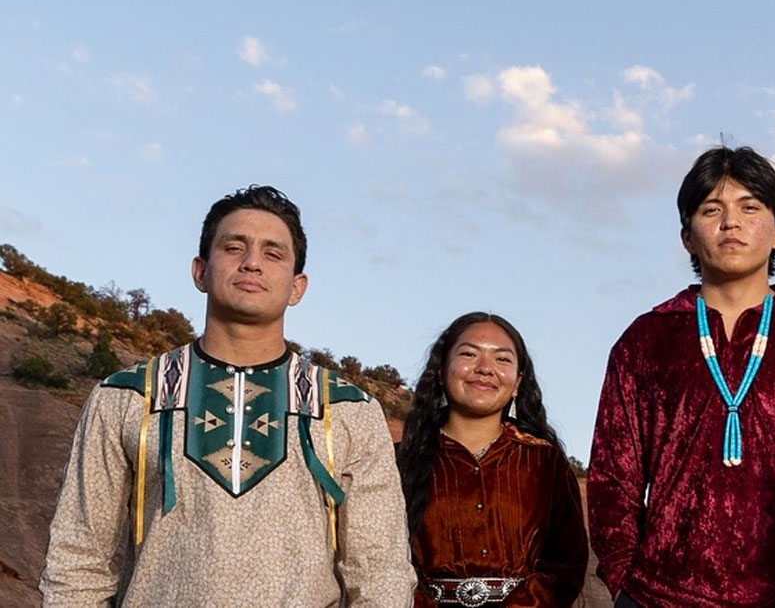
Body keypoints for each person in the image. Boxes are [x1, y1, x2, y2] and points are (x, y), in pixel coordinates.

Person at [41, 185, 416, 607]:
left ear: (297, 286)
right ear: (200, 271)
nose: (252, 263)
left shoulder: (348, 410)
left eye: (273, 253)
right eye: (234, 247)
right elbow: (78, 560)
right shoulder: (126, 397)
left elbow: (380, 571)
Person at [587, 146, 775, 607]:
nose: (731, 222)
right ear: (688, 236)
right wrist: (626, 584)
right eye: (712, 209)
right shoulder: (645, 340)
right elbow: (613, 479)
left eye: (750, 207)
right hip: (662, 596)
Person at [398, 312, 587, 607]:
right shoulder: (399, 460)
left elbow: (566, 564)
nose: (485, 369)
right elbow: (379, 559)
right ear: (441, 370)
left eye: (502, 359)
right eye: (469, 354)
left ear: (518, 383)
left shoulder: (545, 461)